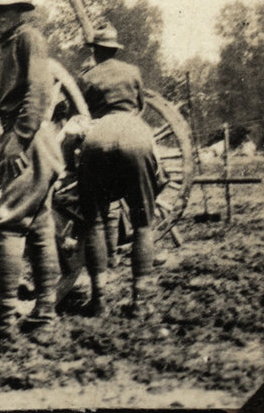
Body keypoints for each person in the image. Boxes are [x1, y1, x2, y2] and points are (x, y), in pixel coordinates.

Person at [0, 0, 64, 340]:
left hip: (29, 140)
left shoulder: (29, 39)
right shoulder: (11, 44)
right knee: (39, 229)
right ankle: (44, 317)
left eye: (1, 12)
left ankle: (5, 318)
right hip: (27, 140)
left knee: (9, 224)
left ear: (18, 12)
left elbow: (39, 91)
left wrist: (18, 139)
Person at [73, 24, 163, 319]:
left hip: (98, 137)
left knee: (95, 223)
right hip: (134, 135)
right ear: (116, 49)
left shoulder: (86, 77)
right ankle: (141, 302)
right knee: (142, 225)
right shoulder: (133, 72)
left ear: (95, 51)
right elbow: (138, 107)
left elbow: (80, 112)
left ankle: (98, 301)